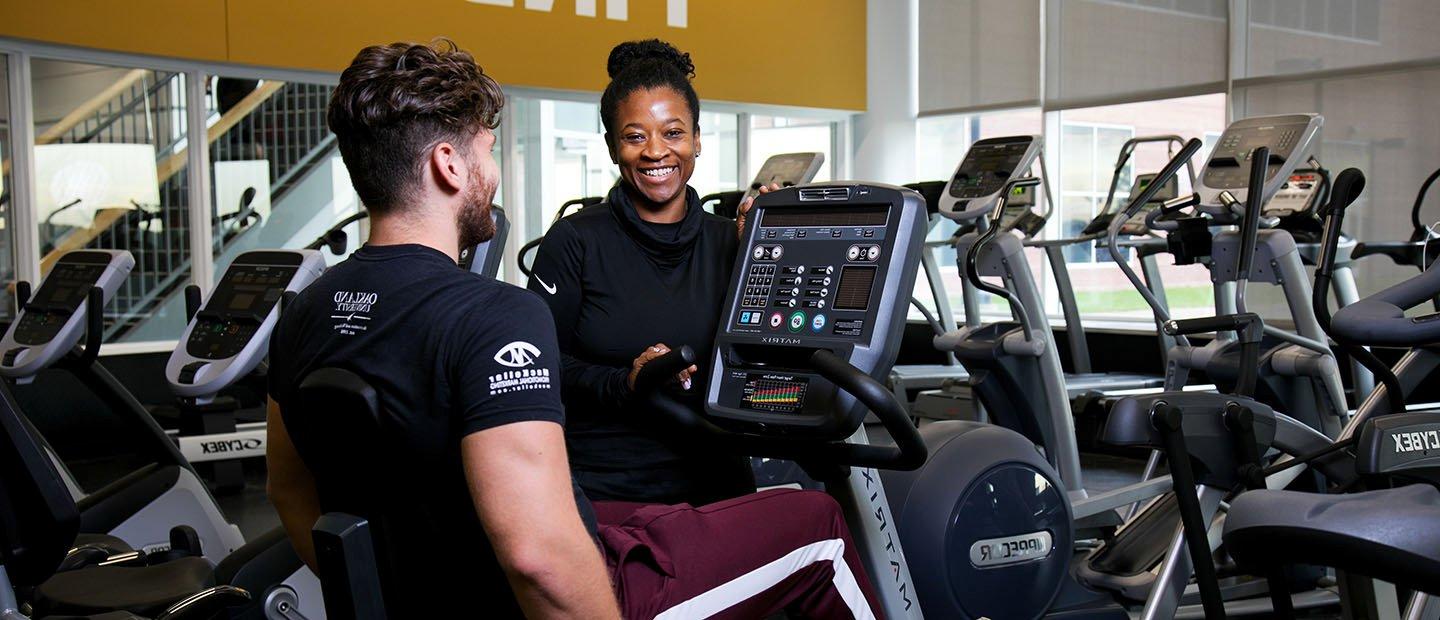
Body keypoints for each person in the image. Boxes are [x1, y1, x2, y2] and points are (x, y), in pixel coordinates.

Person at [265, 40, 881, 619]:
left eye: (673, 133)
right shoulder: (499, 315)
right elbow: (539, 559)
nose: (493, 170)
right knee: (819, 524)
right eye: (486, 152)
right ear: (448, 164)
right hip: (549, 588)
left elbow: (290, 489)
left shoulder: (303, 313)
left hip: (460, 587)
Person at [527, 39, 769, 507]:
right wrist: (627, 380)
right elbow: (539, 365)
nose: (656, 152)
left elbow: (773, 354)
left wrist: (765, 255)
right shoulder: (574, 241)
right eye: (636, 136)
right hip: (608, 489)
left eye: (673, 133)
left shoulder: (733, 241)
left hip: (717, 480)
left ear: (697, 139)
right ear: (612, 146)